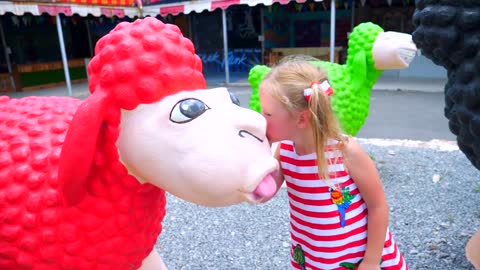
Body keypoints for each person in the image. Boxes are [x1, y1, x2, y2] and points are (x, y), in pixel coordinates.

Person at [259, 60, 407, 270]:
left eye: (268, 114)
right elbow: (264, 193)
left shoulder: (345, 150)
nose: (261, 119)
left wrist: (371, 262)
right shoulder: (284, 151)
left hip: (358, 259)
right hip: (314, 257)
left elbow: (378, 206)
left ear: (301, 119)